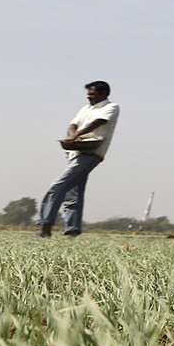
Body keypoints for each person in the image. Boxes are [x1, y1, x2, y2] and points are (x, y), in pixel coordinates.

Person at [39, 80, 119, 238]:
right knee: (73, 192)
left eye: (93, 94)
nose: (89, 98)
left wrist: (76, 136)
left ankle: (45, 225)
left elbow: (98, 123)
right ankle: (72, 230)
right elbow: (73, 125)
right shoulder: (85, 109)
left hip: (91, 153)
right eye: (88, 95)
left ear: (104, 94)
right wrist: (71, 137)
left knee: (57, 187)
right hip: (75, 153)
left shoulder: (111, 107)